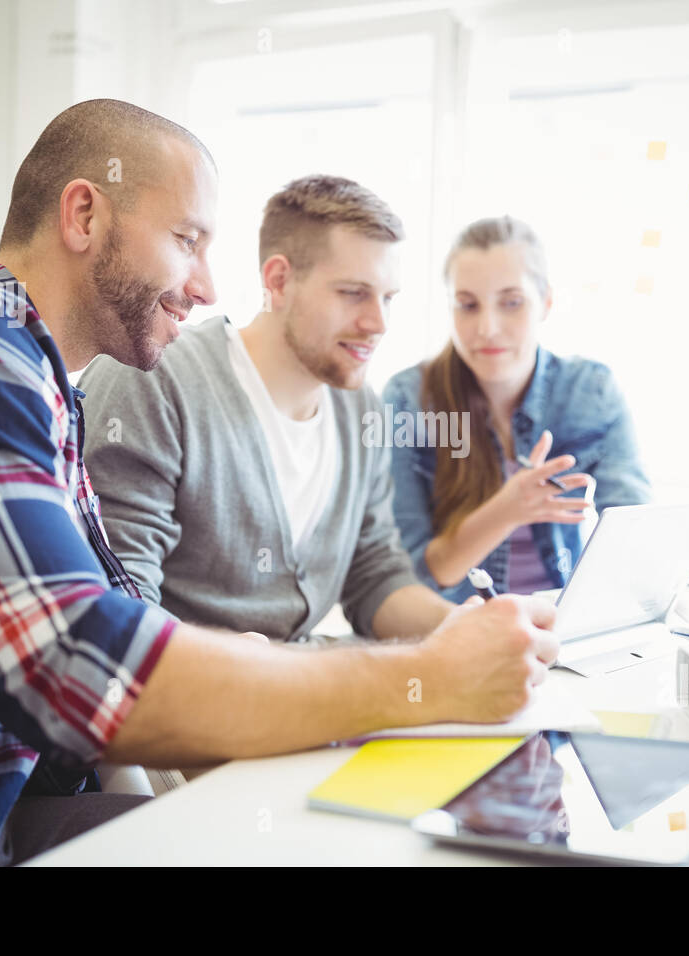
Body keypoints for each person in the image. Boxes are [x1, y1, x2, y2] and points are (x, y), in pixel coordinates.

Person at [0, 103, 557, 867]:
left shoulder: (43, 392)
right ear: (84, 217)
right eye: (188, 240)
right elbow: (82, 666)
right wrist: (426, 681)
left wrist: (279, 674)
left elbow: (95, 636)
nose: (210, 287)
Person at [81, 175, 455, 642]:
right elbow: (121, 603)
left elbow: (376, 576)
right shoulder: (153, 381)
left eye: (388, 298)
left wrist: (462, 627)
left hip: (295, 693)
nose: (377, 323)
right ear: (278, 281)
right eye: (353, 293)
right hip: (180, 702)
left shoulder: (363, 413)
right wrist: (243, 668)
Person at [382, 215, 689, 615]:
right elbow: (413, 577)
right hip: (456, 627)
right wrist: (506, 509)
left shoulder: (591, 392)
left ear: (546, 303)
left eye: (511, 302)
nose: (488, 328)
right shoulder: (407, 401)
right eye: (467, 305)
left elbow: (631, 513)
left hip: (562, 627)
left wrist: (680, 541)